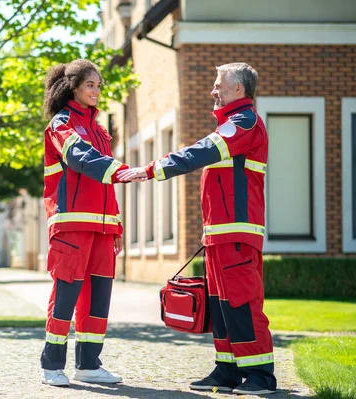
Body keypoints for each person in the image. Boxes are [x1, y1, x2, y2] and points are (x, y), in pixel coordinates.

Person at [118, 62, 277, 395]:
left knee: (242, 303)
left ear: (239, 90)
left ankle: (261, 376)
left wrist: (152, 169)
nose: (212, 90)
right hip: (220, 233)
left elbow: (201, 151)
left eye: (219, 84)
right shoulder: (234, 124)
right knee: (221, 304)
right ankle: (228, 371)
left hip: (236, 231)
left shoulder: (244, 122)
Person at [40, 59, 129, 387]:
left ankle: (89, 364)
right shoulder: (61, 124)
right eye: (90, 84)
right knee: (66, 294)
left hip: (102, 228)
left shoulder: (100, 131)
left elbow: (103, 183)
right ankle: (52, 364)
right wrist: (121, 169)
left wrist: (116, 225)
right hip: (71, 225)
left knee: (98, 297)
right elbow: (78, 157)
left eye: (99, 85)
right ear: (73, 87)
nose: (96, 90)